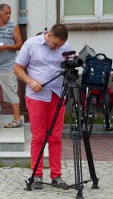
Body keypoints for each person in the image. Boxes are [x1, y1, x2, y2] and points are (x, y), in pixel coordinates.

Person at [14, 24, 73, 188]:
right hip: (37, 96)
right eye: (55, 44)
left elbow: (70, 67)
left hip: (57, 95)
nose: (58, 48)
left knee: (55, 137)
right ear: (49, 36)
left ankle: (56, 175)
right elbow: (17, 68)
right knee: (39, 136)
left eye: (60, 46)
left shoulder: (66, 46)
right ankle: (37, 174)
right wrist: (30, 81)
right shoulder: (31, 44)